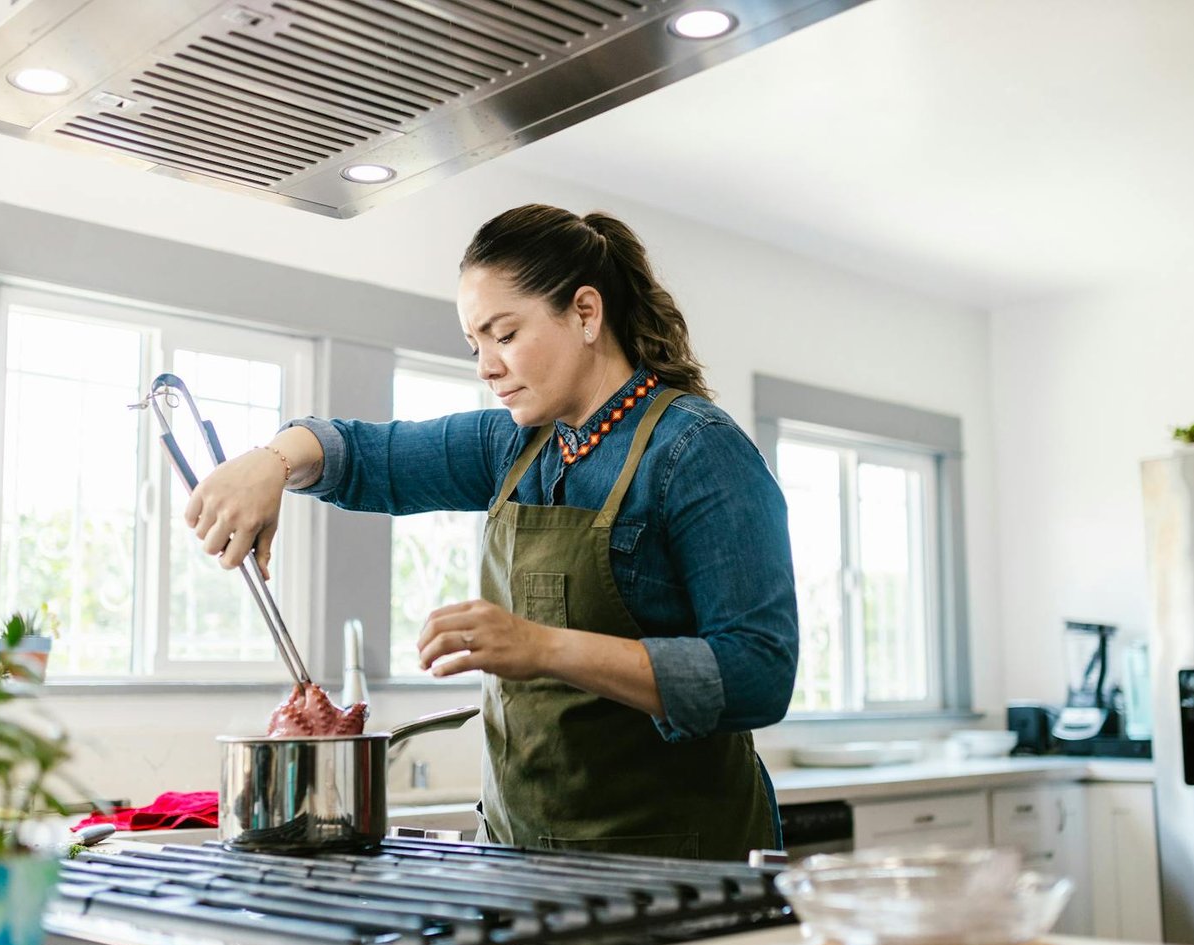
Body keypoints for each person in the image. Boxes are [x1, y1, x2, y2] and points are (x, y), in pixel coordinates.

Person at [185, 204, 798, 861]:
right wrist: (271, 462)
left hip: (677, 869)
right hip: (519, 859)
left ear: (586, 313)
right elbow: (363, 456)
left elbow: (757, 672)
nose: (486, 366)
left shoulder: (697, 450)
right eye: (475, 346)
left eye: (503, 334)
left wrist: (542, 648)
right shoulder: (514, 447)